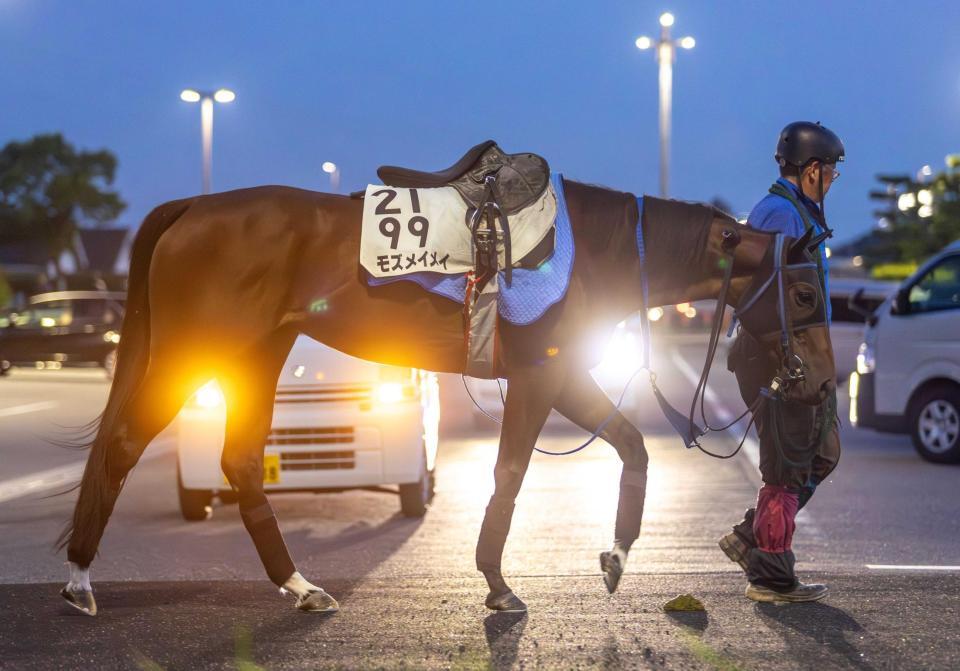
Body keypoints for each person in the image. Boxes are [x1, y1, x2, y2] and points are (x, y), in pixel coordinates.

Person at [721, 121, 844, 602]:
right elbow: (766, 297)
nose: (832, 180)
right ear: (811, 169)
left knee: (824, 451)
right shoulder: (779, 215)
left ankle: (751, 537)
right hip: (776, 355)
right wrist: (791, 358)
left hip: (799, 352)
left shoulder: (797, 213)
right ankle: (770, 575)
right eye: (830, 171)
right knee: (787, 464)